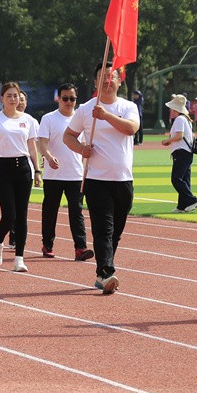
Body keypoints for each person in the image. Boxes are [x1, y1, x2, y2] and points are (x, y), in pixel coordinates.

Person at [64, 65, 139, 295]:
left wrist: (106, 115)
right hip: (97, 179)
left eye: (112, 76)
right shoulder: (86, 109)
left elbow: (131, 129)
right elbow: (68, 136)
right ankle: (107, 272)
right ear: (95, 82)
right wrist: (81, 149)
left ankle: (101, 273)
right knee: (103, 230)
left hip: (123, 179)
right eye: (102, 77)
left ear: (119, 80)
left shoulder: (128, 107)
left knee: (115, 231)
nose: (108, 80)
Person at [0, 82, 41, 273]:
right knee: (9, 214)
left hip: (23, 168)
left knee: (22, 215)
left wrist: (38, 170)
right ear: (2, 98)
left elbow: (32, 147)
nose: (13, 99)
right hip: (3, 168)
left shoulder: (29, 120)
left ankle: (19, 258)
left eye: (15, 96)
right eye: (9, 95)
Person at [37, 83, 93, 261]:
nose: (69, 102)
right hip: (54, 174)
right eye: (65, 98)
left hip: (75, 173)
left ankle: (80, 247)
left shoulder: (81, 118)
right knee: (50, 210)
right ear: (58, 99)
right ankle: (48, 244)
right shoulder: (49, 118)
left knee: (76, 211)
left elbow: (84, 145)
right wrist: (48, 156)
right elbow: (41, 142)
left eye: (73, 98)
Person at [161, 94, 197, 213]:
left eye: (172, 108)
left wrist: (167, 141)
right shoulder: (186, 119)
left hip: (181, 152)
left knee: (176, 179)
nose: (171, 110)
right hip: (187, 153)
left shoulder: (179, 119)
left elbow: (179, 136)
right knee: (184, 179)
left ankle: (192, 200)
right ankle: (182, 205)